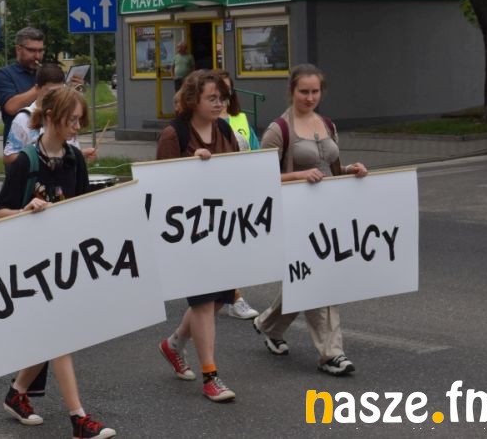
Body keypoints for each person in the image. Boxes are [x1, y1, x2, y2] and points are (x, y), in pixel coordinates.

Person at [0, 86, 115, 439]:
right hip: (32, 265)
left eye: (79, 120)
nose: (77, 127)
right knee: (60, 336)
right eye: (71, 120)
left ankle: (17, 393)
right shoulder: (26, 162)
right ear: (49, 117)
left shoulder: (75, 159)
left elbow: (81, 207)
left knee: (52, 335)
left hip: (66, 261)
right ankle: (78, 419)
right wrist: (24, 210)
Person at [253, 64, 368, 376]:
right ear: (292, 90)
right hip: (293, 215)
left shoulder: (327, 124)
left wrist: (352, 171)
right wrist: (298, 175)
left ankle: (268, 324)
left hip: (327, 214)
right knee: (319, 279)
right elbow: (258, 178)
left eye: (315, 91)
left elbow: (333, 170)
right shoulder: (279, 129)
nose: (309, 97)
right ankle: (331, 353)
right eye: (303, 91)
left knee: (303, 277)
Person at [155, 70, 239, 403]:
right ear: (193, 100)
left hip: (222, 228)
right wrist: (191, 166)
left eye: (222, 98)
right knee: (203, 302)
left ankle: (174, 344)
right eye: (212, 98)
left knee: (218, 299)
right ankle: (210, 376)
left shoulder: (224, 129)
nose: (219, 104)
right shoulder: (174, 134)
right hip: (189, 234)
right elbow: (161, 187)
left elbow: (238, 170)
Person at [216, 71, 261, 321]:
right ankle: (234, 298)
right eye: (217, 91)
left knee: (234, 246)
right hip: (215, 194)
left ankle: (221, 293)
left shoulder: (240, 118)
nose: (222, 97)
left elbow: (256, 151)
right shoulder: (200, 123)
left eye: (227, 91)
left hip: (240, 189)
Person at [3, 62, 96, 165]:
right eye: (51, 92)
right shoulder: (23, 118)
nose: (56, 97)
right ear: (37, 89)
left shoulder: (66, 114)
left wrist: (81, 155)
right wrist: (41, 158)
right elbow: (8, 157)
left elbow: (69, 151)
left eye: (60, 91)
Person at [0, 27, 45, 144]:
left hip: (45, 142)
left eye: (40, 51)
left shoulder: (43, 72)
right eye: (32, 50)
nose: (37, 56)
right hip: (18, 146)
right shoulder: (5, 74)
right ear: (18, 49)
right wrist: (42, 86)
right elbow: (11, 107)